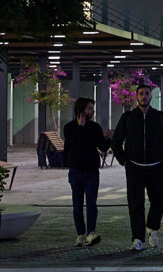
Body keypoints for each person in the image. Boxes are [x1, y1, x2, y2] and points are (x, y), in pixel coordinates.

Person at [112, 83, 163, 251]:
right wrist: (123, 160)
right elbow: (116, 140)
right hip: (134, 168)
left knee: (160, 199)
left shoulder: (160, 117)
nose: (144, 96)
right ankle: (137, 238)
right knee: (135, 204)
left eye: (147, 93)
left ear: (151, 96)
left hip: (156, 167)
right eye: (141, 94)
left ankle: (152, 227)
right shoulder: (128, 117)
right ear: (136, 96)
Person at [63, 97, 110, 247]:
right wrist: (80, 127)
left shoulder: (95, 127)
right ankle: (80, 234)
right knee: (77, 205)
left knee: (91, 203)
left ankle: (91, 233)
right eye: (90, 108)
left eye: (92, 108)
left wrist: (107, 138)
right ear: (81, 110)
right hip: (76, 170)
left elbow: (102, 147)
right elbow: (70, 145)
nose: (92, 111)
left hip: (91, 170)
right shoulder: (69, 127)